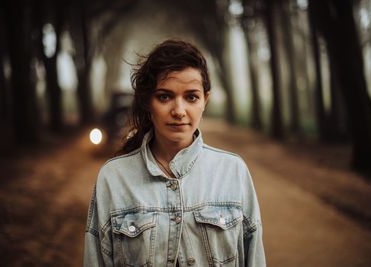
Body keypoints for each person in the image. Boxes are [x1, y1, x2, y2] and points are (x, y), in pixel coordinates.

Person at [83, 39, 266, 267]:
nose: (179, 111)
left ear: (205, 101)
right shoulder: (113, 178)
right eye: (164, 96)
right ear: (147, 102)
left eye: (191, 97)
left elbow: (254, 257)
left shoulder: (233, 171)